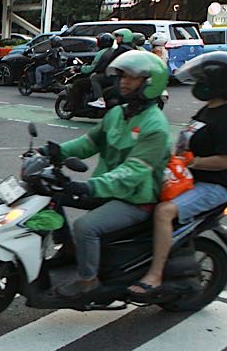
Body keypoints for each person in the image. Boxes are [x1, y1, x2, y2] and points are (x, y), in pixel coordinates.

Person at [47, 50, 171, 299]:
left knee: (85, 227)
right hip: (108, 188)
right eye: (122, 76)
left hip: (135, 199)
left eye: (132, 78)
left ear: (149, 82)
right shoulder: (118, 113)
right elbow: (89, 143)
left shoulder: (155, 126)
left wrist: (90, 187)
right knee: (51, 196)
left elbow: (132, 172)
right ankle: (70, 249)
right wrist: (54, 152)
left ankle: (88, 282)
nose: (123, 81)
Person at [129, 52, 227, 298]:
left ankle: (154, 274)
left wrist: (193, 161)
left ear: (217, 83)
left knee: (165, 212)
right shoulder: (210, 109)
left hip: (213, 186)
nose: (197, 84)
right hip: (186, 178)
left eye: (202, 79)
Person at [83, 32, 117, 109]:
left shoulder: (101, 53)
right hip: (115, 74)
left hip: (109, 76)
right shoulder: (114, 50)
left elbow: (92, 68)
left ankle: (100, 100)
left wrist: (80, 68)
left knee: (94, 78)